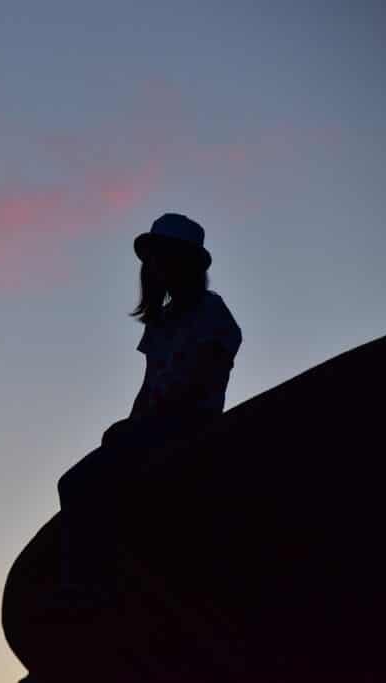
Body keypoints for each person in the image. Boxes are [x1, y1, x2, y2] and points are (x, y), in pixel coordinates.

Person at [54, 212, 243, 609]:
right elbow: (150, 386)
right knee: (85, 481)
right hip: (156, 426)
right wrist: (131, 426)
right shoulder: (163, 323)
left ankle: (87, 588)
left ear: (184, 263)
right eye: (151, 261)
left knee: (77, 485)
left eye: (162, 258)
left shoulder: (212, 315)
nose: (153, 268)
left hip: (189, 426)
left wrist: (140, 427)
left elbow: (191, 383)